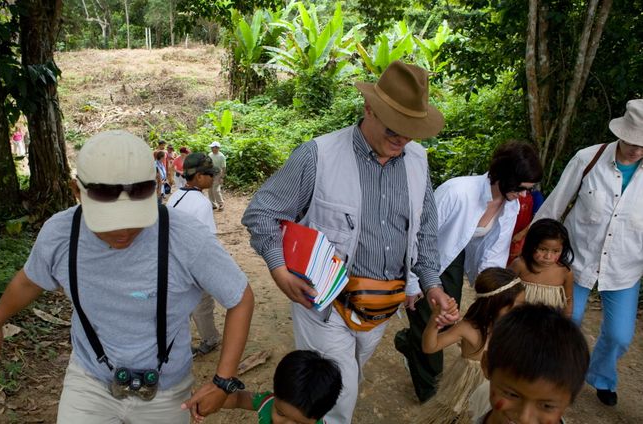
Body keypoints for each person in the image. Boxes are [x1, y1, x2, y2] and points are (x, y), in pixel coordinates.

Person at [0, 130, 254, 424]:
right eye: (108, 222)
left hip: (166, 390)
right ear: (76, 191)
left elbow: (240, 297)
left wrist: (223, 381)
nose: (122, 232)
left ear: (157, 186)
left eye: (134, 220)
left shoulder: (184, 236)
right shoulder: (61, 234)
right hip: (90, 383)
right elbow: (29, 281)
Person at [242, 60, 458, 424]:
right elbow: (262, 212)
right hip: (325, 305)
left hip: (381, 306)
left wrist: (432, 284)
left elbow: (424, 231)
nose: (402, 139)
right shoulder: (318, 156)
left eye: (411, 131)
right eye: (394, 129)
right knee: (337, 396)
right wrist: (279, 269)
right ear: (368, 108)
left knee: (351, 374)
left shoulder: (417, 161)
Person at [396, 141, 543, 402]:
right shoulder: (456, 192)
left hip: (455, 257)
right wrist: (412, 282)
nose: (523, 196)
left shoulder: (510, 205)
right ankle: (430, 393)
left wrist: (494, 293)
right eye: (521, 188)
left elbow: (494, 253)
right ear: (505, 175)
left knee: (449, 316)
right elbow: (416, 236)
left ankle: (410, 342)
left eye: (528, 190)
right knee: (429, 318)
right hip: (425, 257)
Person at [532, 98, 643, 406]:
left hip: (625, 268)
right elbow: (556, 203)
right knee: (568, 321)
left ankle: (601, 376)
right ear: (621, 132)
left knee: (620, 335)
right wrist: (532, 247)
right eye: (632, 141)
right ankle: (557, 377)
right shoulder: (588, 158)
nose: (636, 149)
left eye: (642, 145)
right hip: (577, 260)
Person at [416, 267, 525, 424]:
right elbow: (429, 347)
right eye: (512, 307)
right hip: (465, 390)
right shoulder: (468, 328)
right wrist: (434, 321)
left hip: (498, 389)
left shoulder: (516, 329)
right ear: (493, 305)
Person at [471, 303, 590, 424]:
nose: (524, 418)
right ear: (486, 365)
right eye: (511, 394)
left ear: (570, 399)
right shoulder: (482, 396)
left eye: (547, 406)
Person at [166, 153, 221, 355]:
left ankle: (176, 341)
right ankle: (210, 338)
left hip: (175, 261)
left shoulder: (176, 196)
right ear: (198, 176)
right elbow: (208, 240)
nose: (212, 178)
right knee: (203, 305)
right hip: (194, 264)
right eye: (209, 174)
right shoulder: (202, 203)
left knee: (180, 305)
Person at [221, 350, 342, 424]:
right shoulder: (267, 402)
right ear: (275, 396)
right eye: (281, 414)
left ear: (320, 417)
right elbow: (236, 399)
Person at [508, 218, 574, 316]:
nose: (548, 256)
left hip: (548, 325)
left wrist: (564, 326)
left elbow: (568, 301)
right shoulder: (519, 265)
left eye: (555, 251)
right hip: (518, 322)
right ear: (531, 245)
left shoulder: (565, 272)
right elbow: (504, 293)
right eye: (542, 249)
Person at [208, 141, 227, 210]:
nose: (212, 148)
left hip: (218, 174)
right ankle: (213, 204)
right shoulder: (210, 155)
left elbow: (224, 168)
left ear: (217, 148)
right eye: (212, 147)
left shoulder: (221, 156)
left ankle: (221, 204)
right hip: (210, 173)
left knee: (215, 190)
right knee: (210, 190)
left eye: (213, 147)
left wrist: (222, 177)